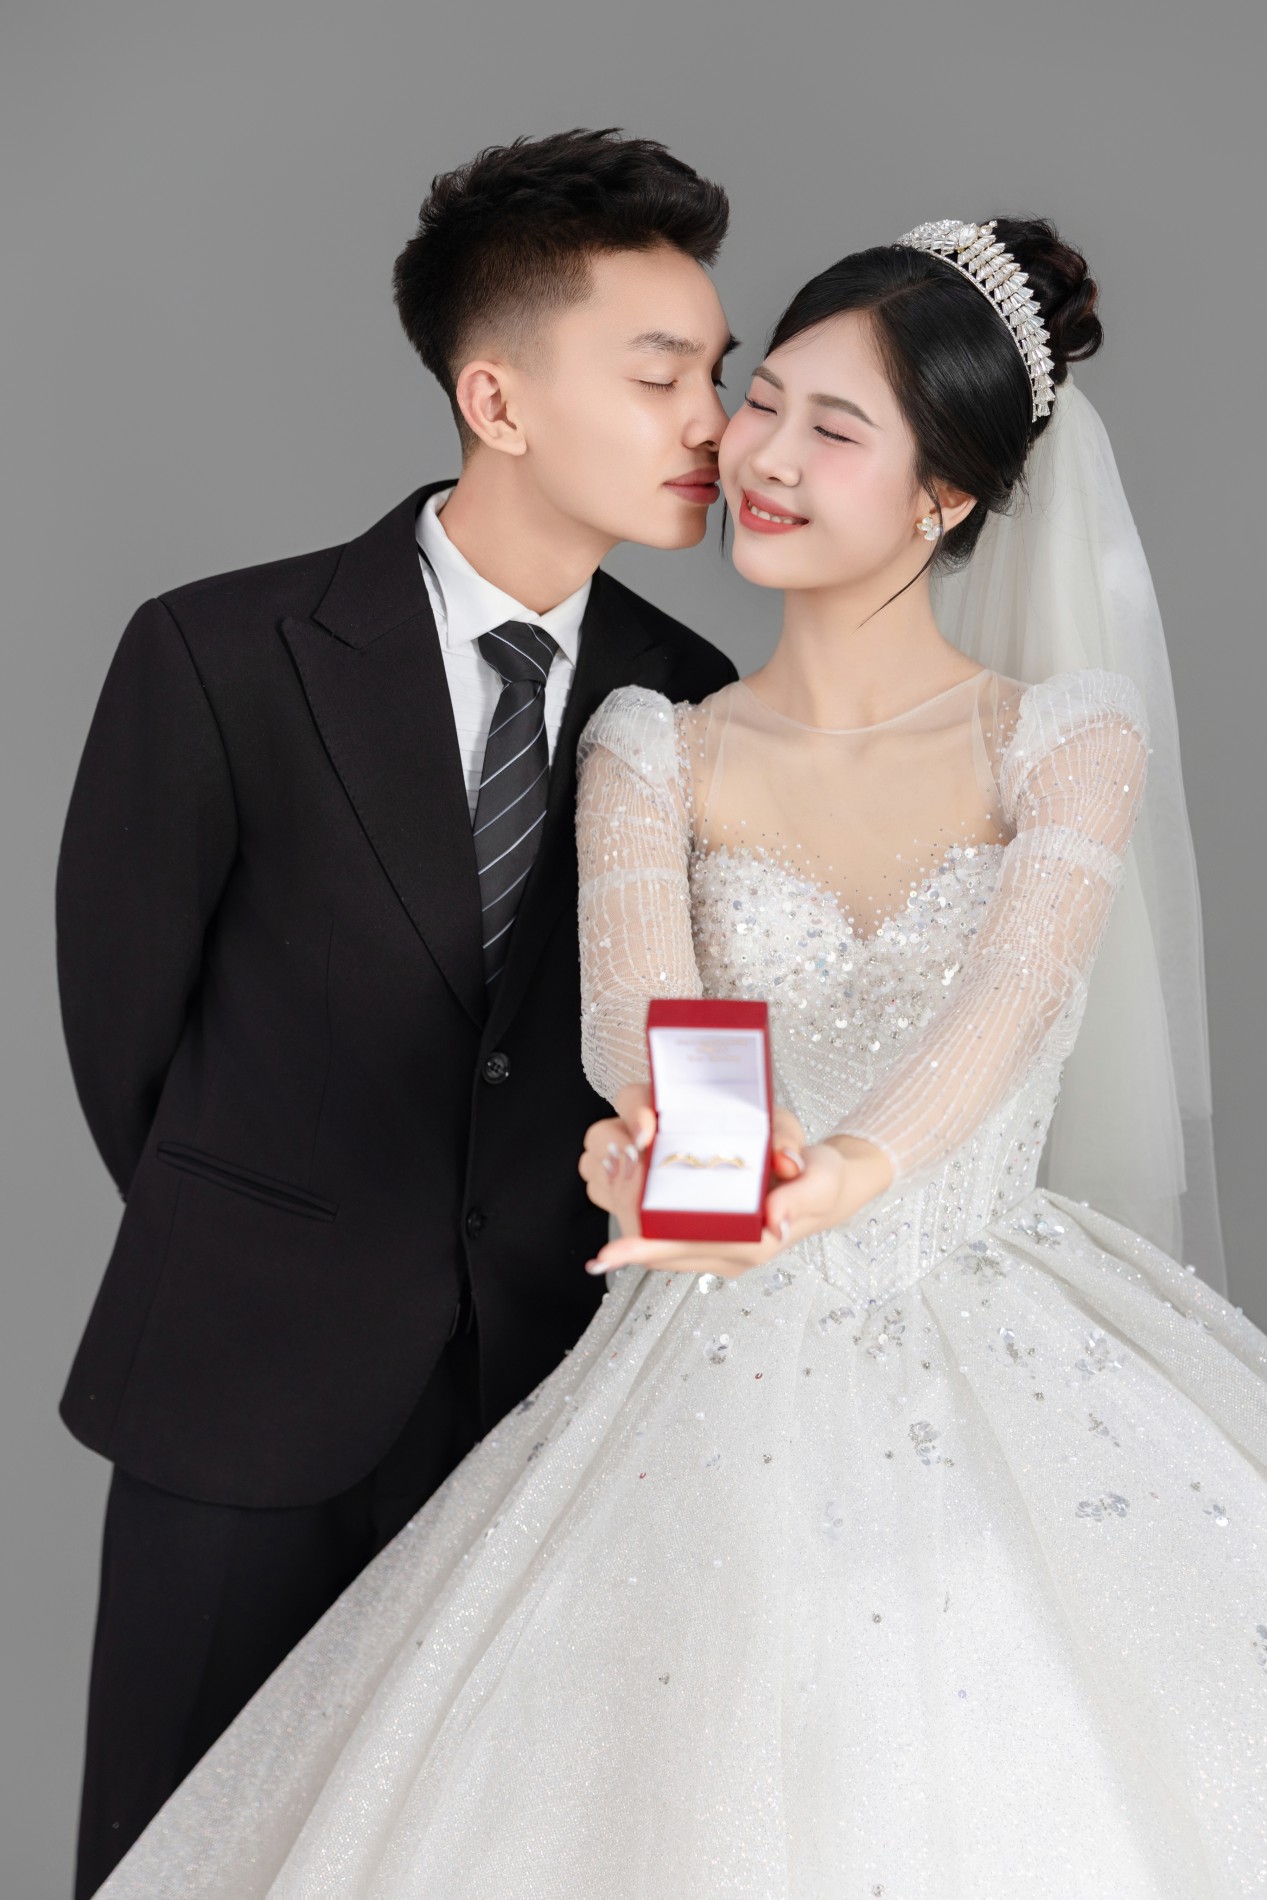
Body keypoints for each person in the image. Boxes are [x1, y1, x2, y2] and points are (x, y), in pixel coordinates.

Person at [93, 217, 1267, 1898]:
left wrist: (851, 1170)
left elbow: (1013, 999)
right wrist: (648, 1141)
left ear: (944, 498)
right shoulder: (656, 733)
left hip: (987, 1325)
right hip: (697, 1334)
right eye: (758, 398)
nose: (756, 455)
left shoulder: (1064, 737)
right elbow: (643, 1016)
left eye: (830, 428)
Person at [55, 127, 739, 1898]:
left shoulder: (695, 696)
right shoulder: (219, 655)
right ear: (495, 398)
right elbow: (125, 1036)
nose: (712, 421)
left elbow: (683, 1037)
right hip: (242, 1382)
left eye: (717, 370)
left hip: (548, 1397)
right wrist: (278, 1244)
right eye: (658, 373)